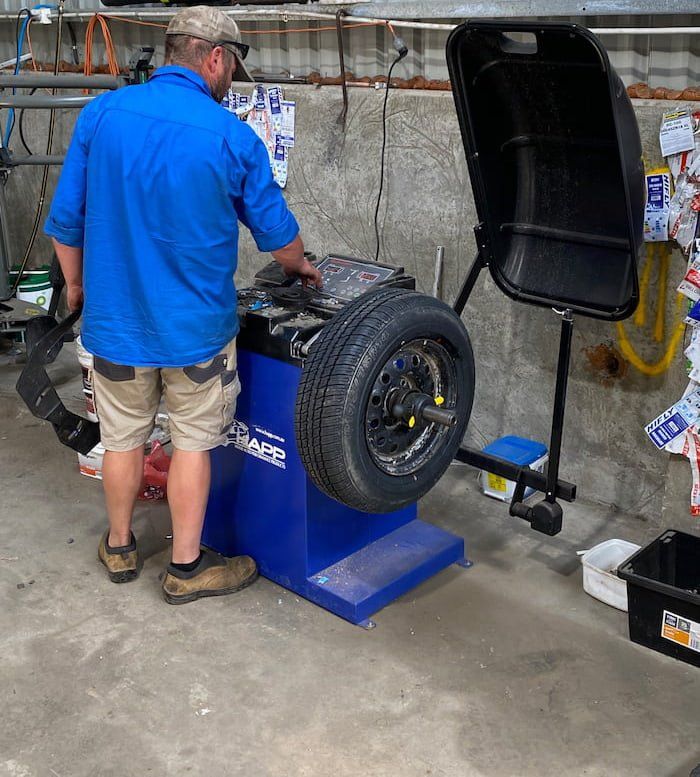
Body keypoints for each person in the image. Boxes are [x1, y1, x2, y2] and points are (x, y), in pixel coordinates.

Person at [44, 5, 322, 604]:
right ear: (215, 58)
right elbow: (280, 239)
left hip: (116, 325)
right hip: (196, 331)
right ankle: (187, 568)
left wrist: (75, 287)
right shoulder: (231, 135)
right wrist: (301, 266)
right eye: (232, 67)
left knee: (121, 438)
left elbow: (66, 223)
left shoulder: (102, 115)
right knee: (193, 442)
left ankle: (119, 547)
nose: (230, 80)